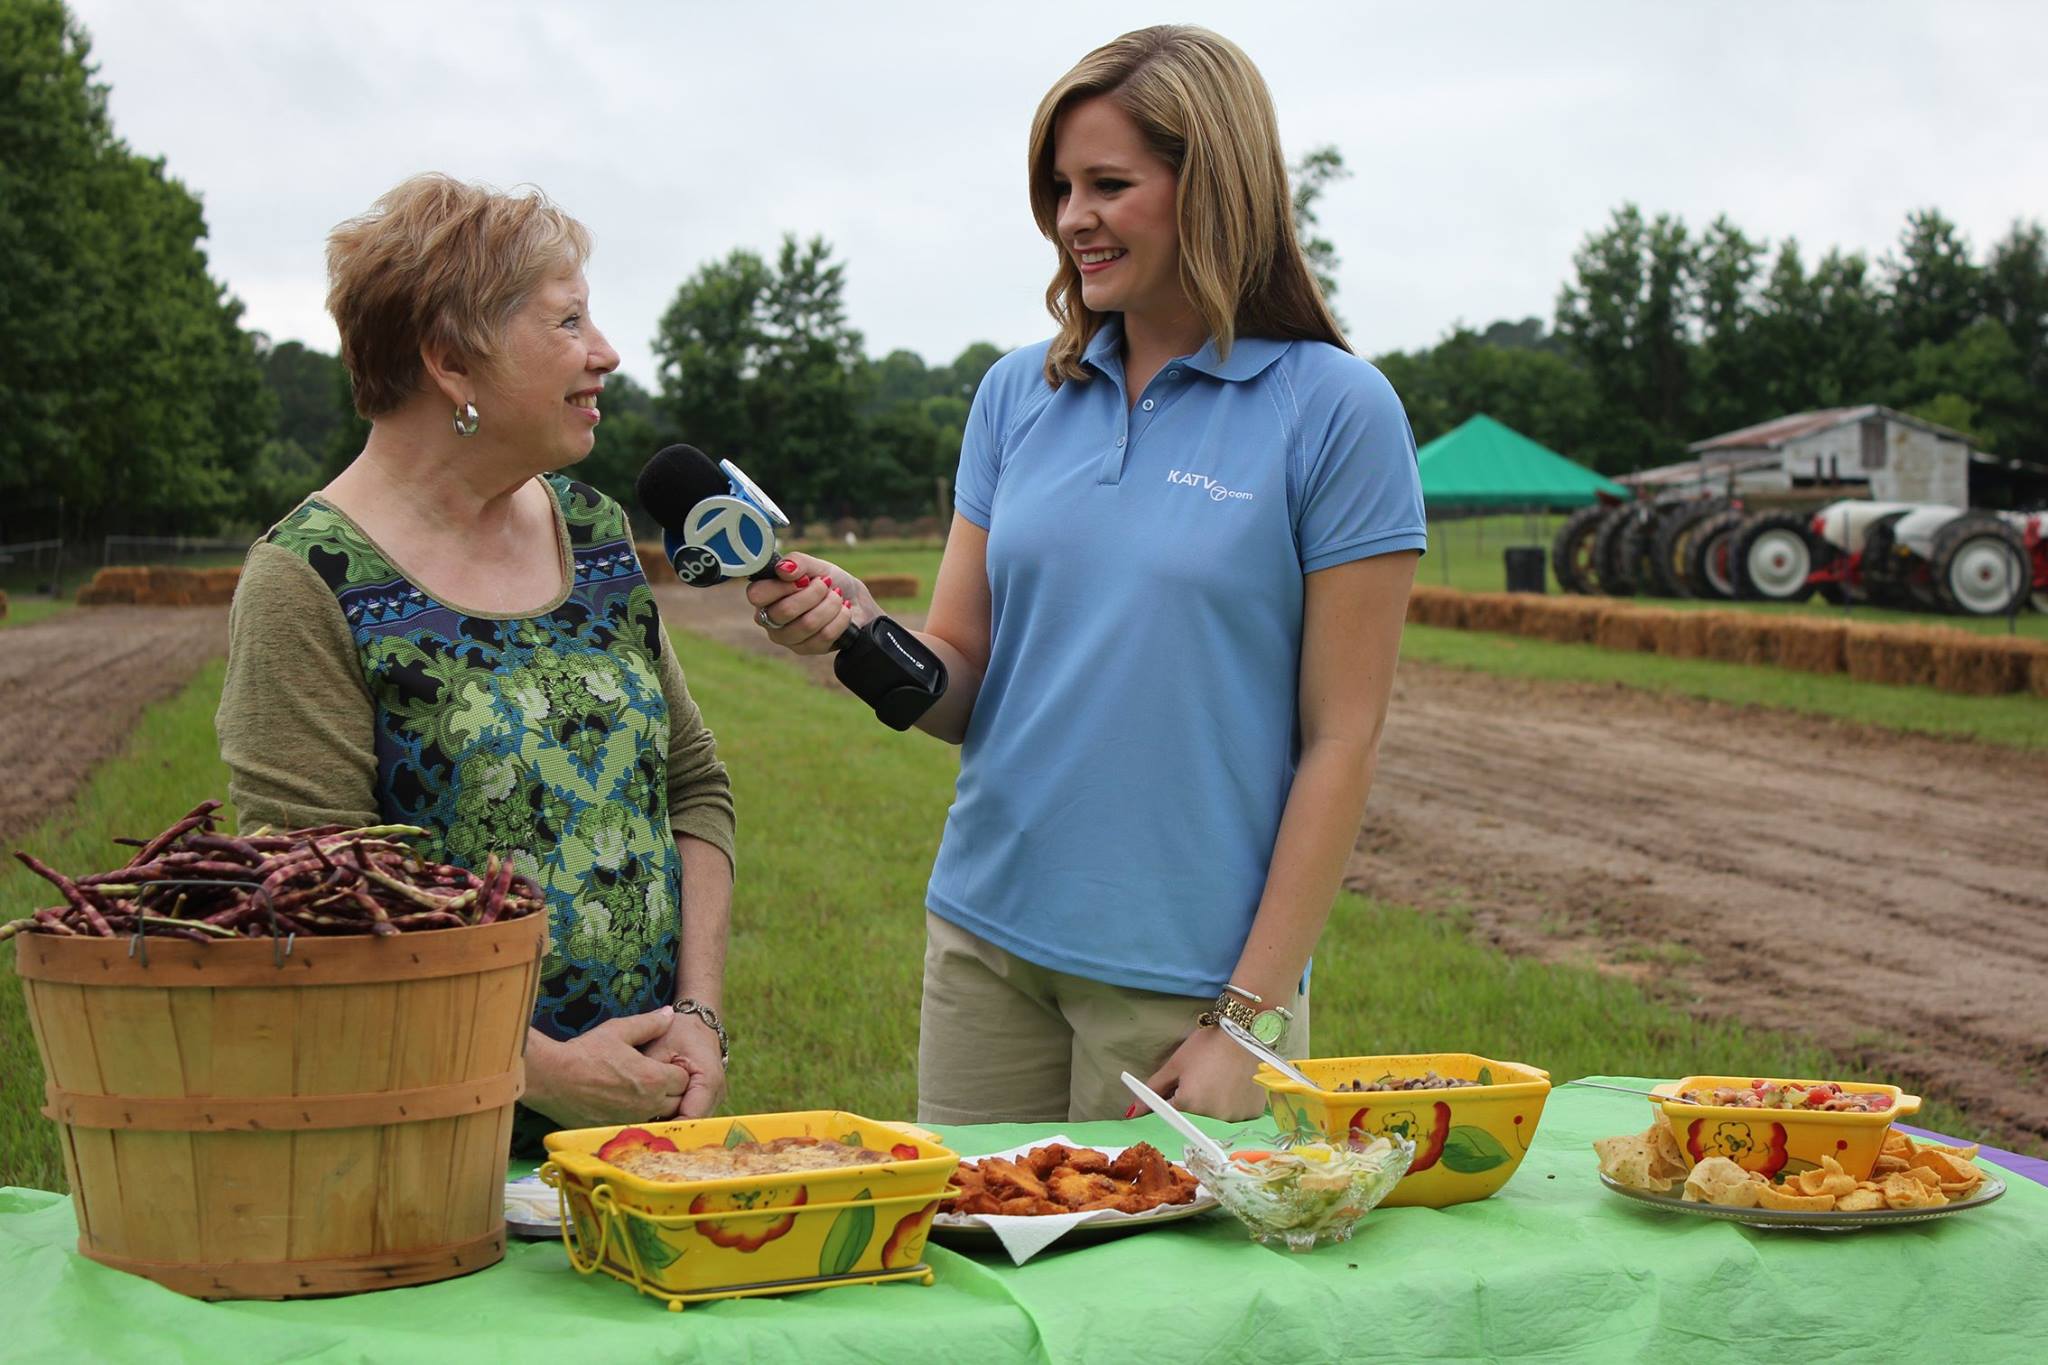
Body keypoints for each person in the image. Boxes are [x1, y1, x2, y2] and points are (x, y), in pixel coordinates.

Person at [747, 26, 1424, 1125]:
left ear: (1215, 188)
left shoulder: (1335, 411)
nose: (1072, 219)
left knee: (1155, 1303)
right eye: (1059, 187)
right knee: (975, 1281)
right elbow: (962, 680)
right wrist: (861, 633)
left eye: (1108, 184)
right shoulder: (1017, 395)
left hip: (1185, 987)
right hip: (983, 943)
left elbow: (1339, 745)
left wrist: (1245, 1022)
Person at [215, 175, 736, 1151]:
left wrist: (698, 1020)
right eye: (568, 321)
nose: (606, 353)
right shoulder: (308, 581)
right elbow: (312, 909)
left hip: (654, 1130)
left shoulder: (594, 533)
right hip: (426, 1147)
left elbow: (693, 785)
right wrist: (538, 1070)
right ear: (451, 360)